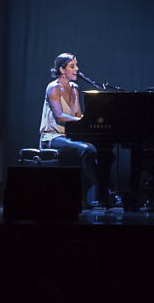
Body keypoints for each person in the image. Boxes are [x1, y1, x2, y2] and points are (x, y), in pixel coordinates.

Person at [39, 53, 113, 207]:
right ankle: (102, 190)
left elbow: (78, 116)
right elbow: (59, 116)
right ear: (62, 70)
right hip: (52, 136)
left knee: (106, 151)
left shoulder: (75, 88)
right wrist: (81, 120)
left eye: (76, 65)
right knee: (86, 148)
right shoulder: (53, 88)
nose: (77, 69)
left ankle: (93, 194)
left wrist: (93, 120)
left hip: (70, 136)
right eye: (72, 66)